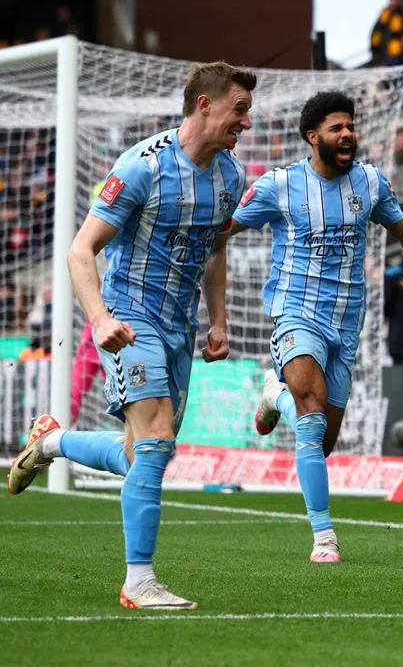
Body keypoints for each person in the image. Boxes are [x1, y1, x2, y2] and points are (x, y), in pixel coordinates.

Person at [6, 62, 257, 610]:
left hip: (179, 325)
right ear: (204, 105)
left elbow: (216, 251)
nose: (246, 122)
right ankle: (138, 581)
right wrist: (99, 318)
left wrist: (218, 321)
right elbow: (80, 250)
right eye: (239, 110)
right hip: (128, 314)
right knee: (158, 434)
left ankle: (50, 441)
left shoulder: (231, 176)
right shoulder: (141, 167)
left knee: (143, 454)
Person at [229, 91, 403, 564]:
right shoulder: (279, 185)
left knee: (322, 438)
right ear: (312, 136)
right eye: (337, 128)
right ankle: (324, 536)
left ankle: (274, 396)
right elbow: (222, 229)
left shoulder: (371, 183)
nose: (348, 135)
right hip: (295, 312)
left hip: (346, 322)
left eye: (351, 126)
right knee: (312, 414)